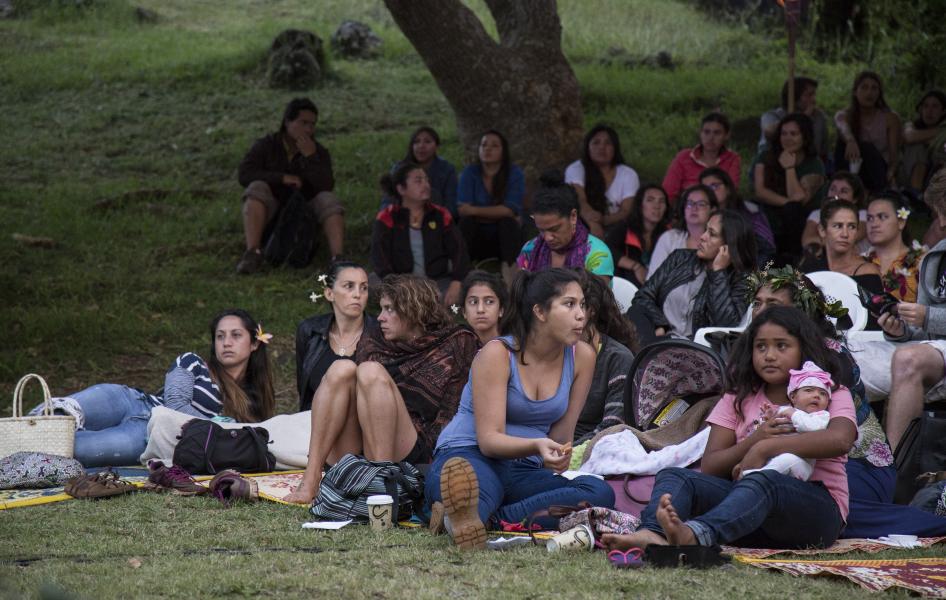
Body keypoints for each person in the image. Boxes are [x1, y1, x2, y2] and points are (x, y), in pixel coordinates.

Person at [601, 306, 857, 552]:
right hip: (748, 512)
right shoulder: (739, 397)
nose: (769, 355)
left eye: (781, 346)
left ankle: (697, 535)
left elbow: (840, 440)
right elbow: (712, 465)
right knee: (676, 476)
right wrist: (753, 441)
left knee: (765, 480)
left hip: (815, 514)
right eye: (760, 346)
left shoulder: (828, 393)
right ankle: (653, 533)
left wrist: (765, 447)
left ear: (803, 348)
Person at [425, 269, 616, 549]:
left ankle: (477, 519)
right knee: (474, 487)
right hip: (469, 455)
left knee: (598, 492)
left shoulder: (582, 357)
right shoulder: (498, 354)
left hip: (523, 469)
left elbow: (562, 436)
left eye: (582, 305)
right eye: (569, 304)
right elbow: (489, 441)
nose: (581, 315)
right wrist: (537, 445)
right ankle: (472, 512)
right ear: (540, 312)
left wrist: (558, 456)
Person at [283, 274, 479, 504]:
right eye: (382, 309)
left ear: (413, 310)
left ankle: (382, 489)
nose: (380, 317)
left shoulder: (455, 342)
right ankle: (311, 478)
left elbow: (454, 411)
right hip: (361, 444)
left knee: (370, 371)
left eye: (389, 309)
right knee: (341, 368)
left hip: (414, 448)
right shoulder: (375, 339)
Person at [40, 310, 275, 467]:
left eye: (236, 335)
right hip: (131, 401)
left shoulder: (250, 405)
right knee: (51, 415)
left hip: (147, 435)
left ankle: (20, 458)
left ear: (254, 343)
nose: (226, 342)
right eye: (220, 336)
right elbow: (175, 403)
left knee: (71, 449)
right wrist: (220, 425)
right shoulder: (192, 362)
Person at [236, 97, 344, 274]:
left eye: (312, 124)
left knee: (329, 200)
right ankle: (253, 252)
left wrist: (311, 158)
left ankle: (337, 259)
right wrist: (281, 178)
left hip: (304, 210)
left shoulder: (318, 151)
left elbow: (326, 185)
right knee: (256, 188)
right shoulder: (267, 145)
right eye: (303, 123)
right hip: (272, 205)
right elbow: (245, 174)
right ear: (287, 122)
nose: (308, 129)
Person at [879, 170, 946, 450]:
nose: (941, 222)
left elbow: (929, 318)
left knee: (907, 360)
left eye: (944, 212)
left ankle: (895, 464)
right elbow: (926, 329)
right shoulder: (936, 256)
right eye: (938, 213)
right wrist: (902, 330)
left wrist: (927, 316)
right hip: (939, 349)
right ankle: (885, 462)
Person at [629, 209, 756, 344]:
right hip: (659, 338)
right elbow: (643, 296)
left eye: (712, 234)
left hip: (694, 346)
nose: (702, 236)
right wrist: (661, 324)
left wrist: (718, 272)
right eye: (705, 230)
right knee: (635, 312)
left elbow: (725, 326)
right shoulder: (680, 258)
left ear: (729, 246)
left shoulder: (742, 279)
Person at [372, 162, 470, 307]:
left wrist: (456, 282)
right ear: (401, 189)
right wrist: (395, 284)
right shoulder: (387, 217)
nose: (426, 185)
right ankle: (419, 302)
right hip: (400, 282)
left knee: (471, 283)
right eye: (418, 181)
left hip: (438, 280)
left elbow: (459, 250)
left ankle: (416, 304)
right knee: (369, 283)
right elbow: (380, 258)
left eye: (427, 180)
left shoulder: (440, 214)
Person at [295, 261, 376, 411]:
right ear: (329, 293)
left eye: (364, 288)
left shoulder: (380, 332)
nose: (358, 294)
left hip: (367, 420)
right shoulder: (310, 331)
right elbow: (304, 390)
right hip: (317, 419)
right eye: (349, 286)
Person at [741, 361, 833, 482]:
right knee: (773, 460)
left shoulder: (821, 416)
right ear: (793, 397)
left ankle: (755, 477)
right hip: (771, 458)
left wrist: (793, 414)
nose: (816, 395)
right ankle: (756, 475)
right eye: (809, 390)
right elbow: (758, 433)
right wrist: (765, 420)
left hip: (800, 465)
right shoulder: (783, 410)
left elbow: (812, 428)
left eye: (823, 393)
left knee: (788, 459)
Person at [573, 271, 636, 444]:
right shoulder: (550, 349)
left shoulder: (617, 358)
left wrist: (565, 452)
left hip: (594, 446)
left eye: (572, 304)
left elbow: (612, 426)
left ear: (591, 310)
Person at [753, 113, 825, 262]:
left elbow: (797, 199)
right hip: (770, 213)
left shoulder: (814, 164)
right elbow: (760, 191)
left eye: (793, 134)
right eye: (784, 133)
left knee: (792, 210)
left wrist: (789, 168)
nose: (787, 138)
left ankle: (792, 259)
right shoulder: (765, 156)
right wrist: (786, 203)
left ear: (804, 137)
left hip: (800, 219)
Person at [799, 199, 884, 325]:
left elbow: (874, 322)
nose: (845, 234)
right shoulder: (810, 267)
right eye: (838, 226)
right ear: (822, 230)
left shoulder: (867, 272)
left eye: (852, 227)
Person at [516, 172, 614, 278]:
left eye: (554, 229)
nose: (547, 238)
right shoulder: (529, 250)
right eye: (541, 230)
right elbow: (520, 288)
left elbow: (598, 290)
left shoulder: (597, 254)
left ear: (573, 216)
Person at [457, 130, 524, 281]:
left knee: (508, 223)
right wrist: (499, 212)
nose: (487, 149)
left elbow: (509, 210)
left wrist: (474, 210)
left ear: (503, 151)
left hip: (504, 238)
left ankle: (511, 276)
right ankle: (462, 274)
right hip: (477, 237)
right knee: (467, 223)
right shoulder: (470, 173)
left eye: (494, 146)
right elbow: (463, 211)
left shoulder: (514, 173)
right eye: (484, 145)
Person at [565, 124, 641, 238]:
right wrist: (593, 223)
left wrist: (603, 220)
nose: (602, 147)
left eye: (608, 143)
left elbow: (626, 211)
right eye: (596, 142)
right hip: (582, 223)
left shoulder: (628, 174)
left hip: (618, 229)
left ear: (615, 148)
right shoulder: (575, 169)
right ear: (588, 147)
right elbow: (579, 200)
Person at [835, 71, 901, 193]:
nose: (869, 93)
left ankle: (878, 192)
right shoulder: (845, 115)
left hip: (879, 171)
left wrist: (891, 173)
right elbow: (842, 126)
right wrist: (850, 140)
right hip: (854, 167)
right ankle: (842, 185)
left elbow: (894, 156)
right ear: (855, 92)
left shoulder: (890, 118)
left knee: (866, 147)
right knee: (842, 144)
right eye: (864, 87)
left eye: (874, 88)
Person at [699, 166, 776, 266]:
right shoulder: (700, 213)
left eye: (715, 186)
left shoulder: (749, 210)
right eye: (705, 189)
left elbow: (767, 247)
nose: (710, 191)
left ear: (728, 189)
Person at [662, 112, 741, 204]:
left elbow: (731, 192)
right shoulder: (684, 157)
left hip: (719, 209)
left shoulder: (732, 158)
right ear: (700, 133)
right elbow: (668, 192)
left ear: (726, 135)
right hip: (688, 208)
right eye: (706, 132)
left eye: (717, 133)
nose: (711, 138)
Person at [380, 126, 459, 217]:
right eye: (416, 142)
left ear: (437, 146)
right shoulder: (399, 168)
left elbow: (451, 206)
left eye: (427, 142)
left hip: (435, 219)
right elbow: (387, 201)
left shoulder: (447, 169)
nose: (421, 146)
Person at [864, 192, 927, 303]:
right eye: (869, 218)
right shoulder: (860, 262)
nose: (874, 224)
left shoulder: (922, 261)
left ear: (901, 222)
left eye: (882, 217)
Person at [605, 184, 671, 286]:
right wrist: (635, 266)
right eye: (650, 200)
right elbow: (606, 250)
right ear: (640, 205)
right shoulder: (625, 228)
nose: (657, 206)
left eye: (661, 201)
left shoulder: (669, 234)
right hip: (625, 286)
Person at [646, 184, 719, 277]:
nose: (694, 208)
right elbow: (653, 278)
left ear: (713, 209)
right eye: (690, 203)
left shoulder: (719, 242)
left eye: (701, 204)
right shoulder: (670, 238)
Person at [758, 76, 830, 163]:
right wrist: (802, 117)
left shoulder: (818, 117)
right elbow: (769, 132)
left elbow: (823, 150)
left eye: (814, 95)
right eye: (809, 95)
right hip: (774, 164)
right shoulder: (772, 116)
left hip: (807, 164)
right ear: (795, 97)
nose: (813, 100)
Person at [800, 171, 869, 256]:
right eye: (833, 189)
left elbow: (852, 237)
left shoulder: (862, 214)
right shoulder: (817, 214)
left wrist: (820, 240)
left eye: (843, 191)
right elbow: (807, 241)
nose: (836, 194)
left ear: (855, 199)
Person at [901, 90, 946, 190]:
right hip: (909, 176)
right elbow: (909, 137)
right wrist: (941, 132)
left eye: (935, 106)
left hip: (938, 177)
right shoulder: (911, 125)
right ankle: (915, 193)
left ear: (943, 111)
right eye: (925, 106)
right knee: (917, 147)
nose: (929, 111)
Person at [460, 270, 506, 346]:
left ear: (501, 310)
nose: (480, 309)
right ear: (464, 311)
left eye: (489, 302)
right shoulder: (457, 349)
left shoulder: (515, 347)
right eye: (473, 302)